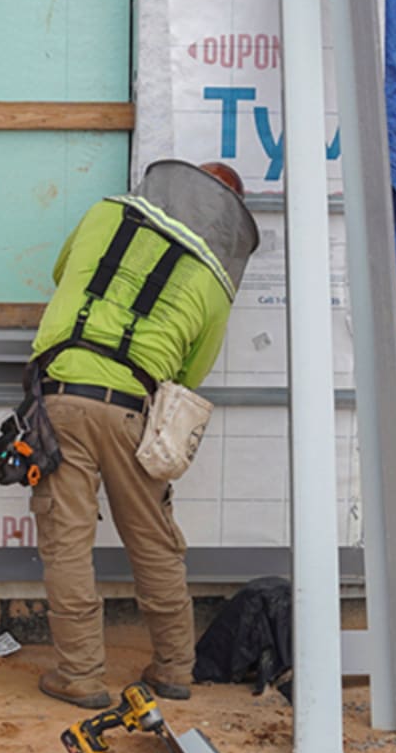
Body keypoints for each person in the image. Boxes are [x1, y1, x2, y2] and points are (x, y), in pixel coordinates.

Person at [24, 159, 257, 710]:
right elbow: (187, 380)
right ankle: (174, 669)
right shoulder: (213, 281)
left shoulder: (106, 215)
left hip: (58, 396)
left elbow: (64, 275)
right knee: (154, 543)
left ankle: (80, 675)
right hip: (133, 409)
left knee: (67, 544)